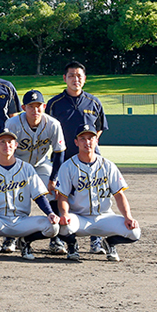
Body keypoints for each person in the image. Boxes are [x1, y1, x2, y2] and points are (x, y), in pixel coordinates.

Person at [46, 61, 111, 255]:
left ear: (85, 78)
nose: (76, 79)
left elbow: (99, 128)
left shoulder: (94, 102)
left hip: (90, 159)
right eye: (72, 75)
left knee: (94, 194)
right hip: (63, 157)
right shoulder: (55, 103)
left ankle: (96, 240)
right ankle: (58, 238)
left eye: (79, 76)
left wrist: (88, 148)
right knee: (58, 195)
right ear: (65, 78)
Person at [0, 128, 60, 260]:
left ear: (16, 145)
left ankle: (25, 241)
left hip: (22, 221)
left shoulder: (27, 168)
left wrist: (50, 213)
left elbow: (39, 195)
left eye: (10, 142)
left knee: (53, 227)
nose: (7, 145)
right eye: (2, 142)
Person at [54, 124, 141, 262]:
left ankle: (110, 243)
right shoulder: (68, 166)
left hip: (105, 218)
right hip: (79, 218)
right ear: (76, 142)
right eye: (82, 138)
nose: (87, 142)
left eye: (90, 138)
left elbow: (119, 195)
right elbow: (62, 196)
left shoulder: (108, 165)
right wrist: (64, 214)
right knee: (62, 226)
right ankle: (72, 246)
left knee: (134, 232)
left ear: (96, 141)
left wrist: (128, 217)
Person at [5, 90, 67, 253]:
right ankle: (10, 237)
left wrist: (53, 179)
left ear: (44, 107)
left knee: (53, 192)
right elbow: (5, 150)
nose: (35, 110)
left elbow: (59, 152)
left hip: (41, 164)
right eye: (31, 106)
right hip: (17, 165)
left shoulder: (53, 124)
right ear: (24, 107)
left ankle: (56, 239)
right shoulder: (12, 124)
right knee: (12, 195)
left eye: (38, 106)